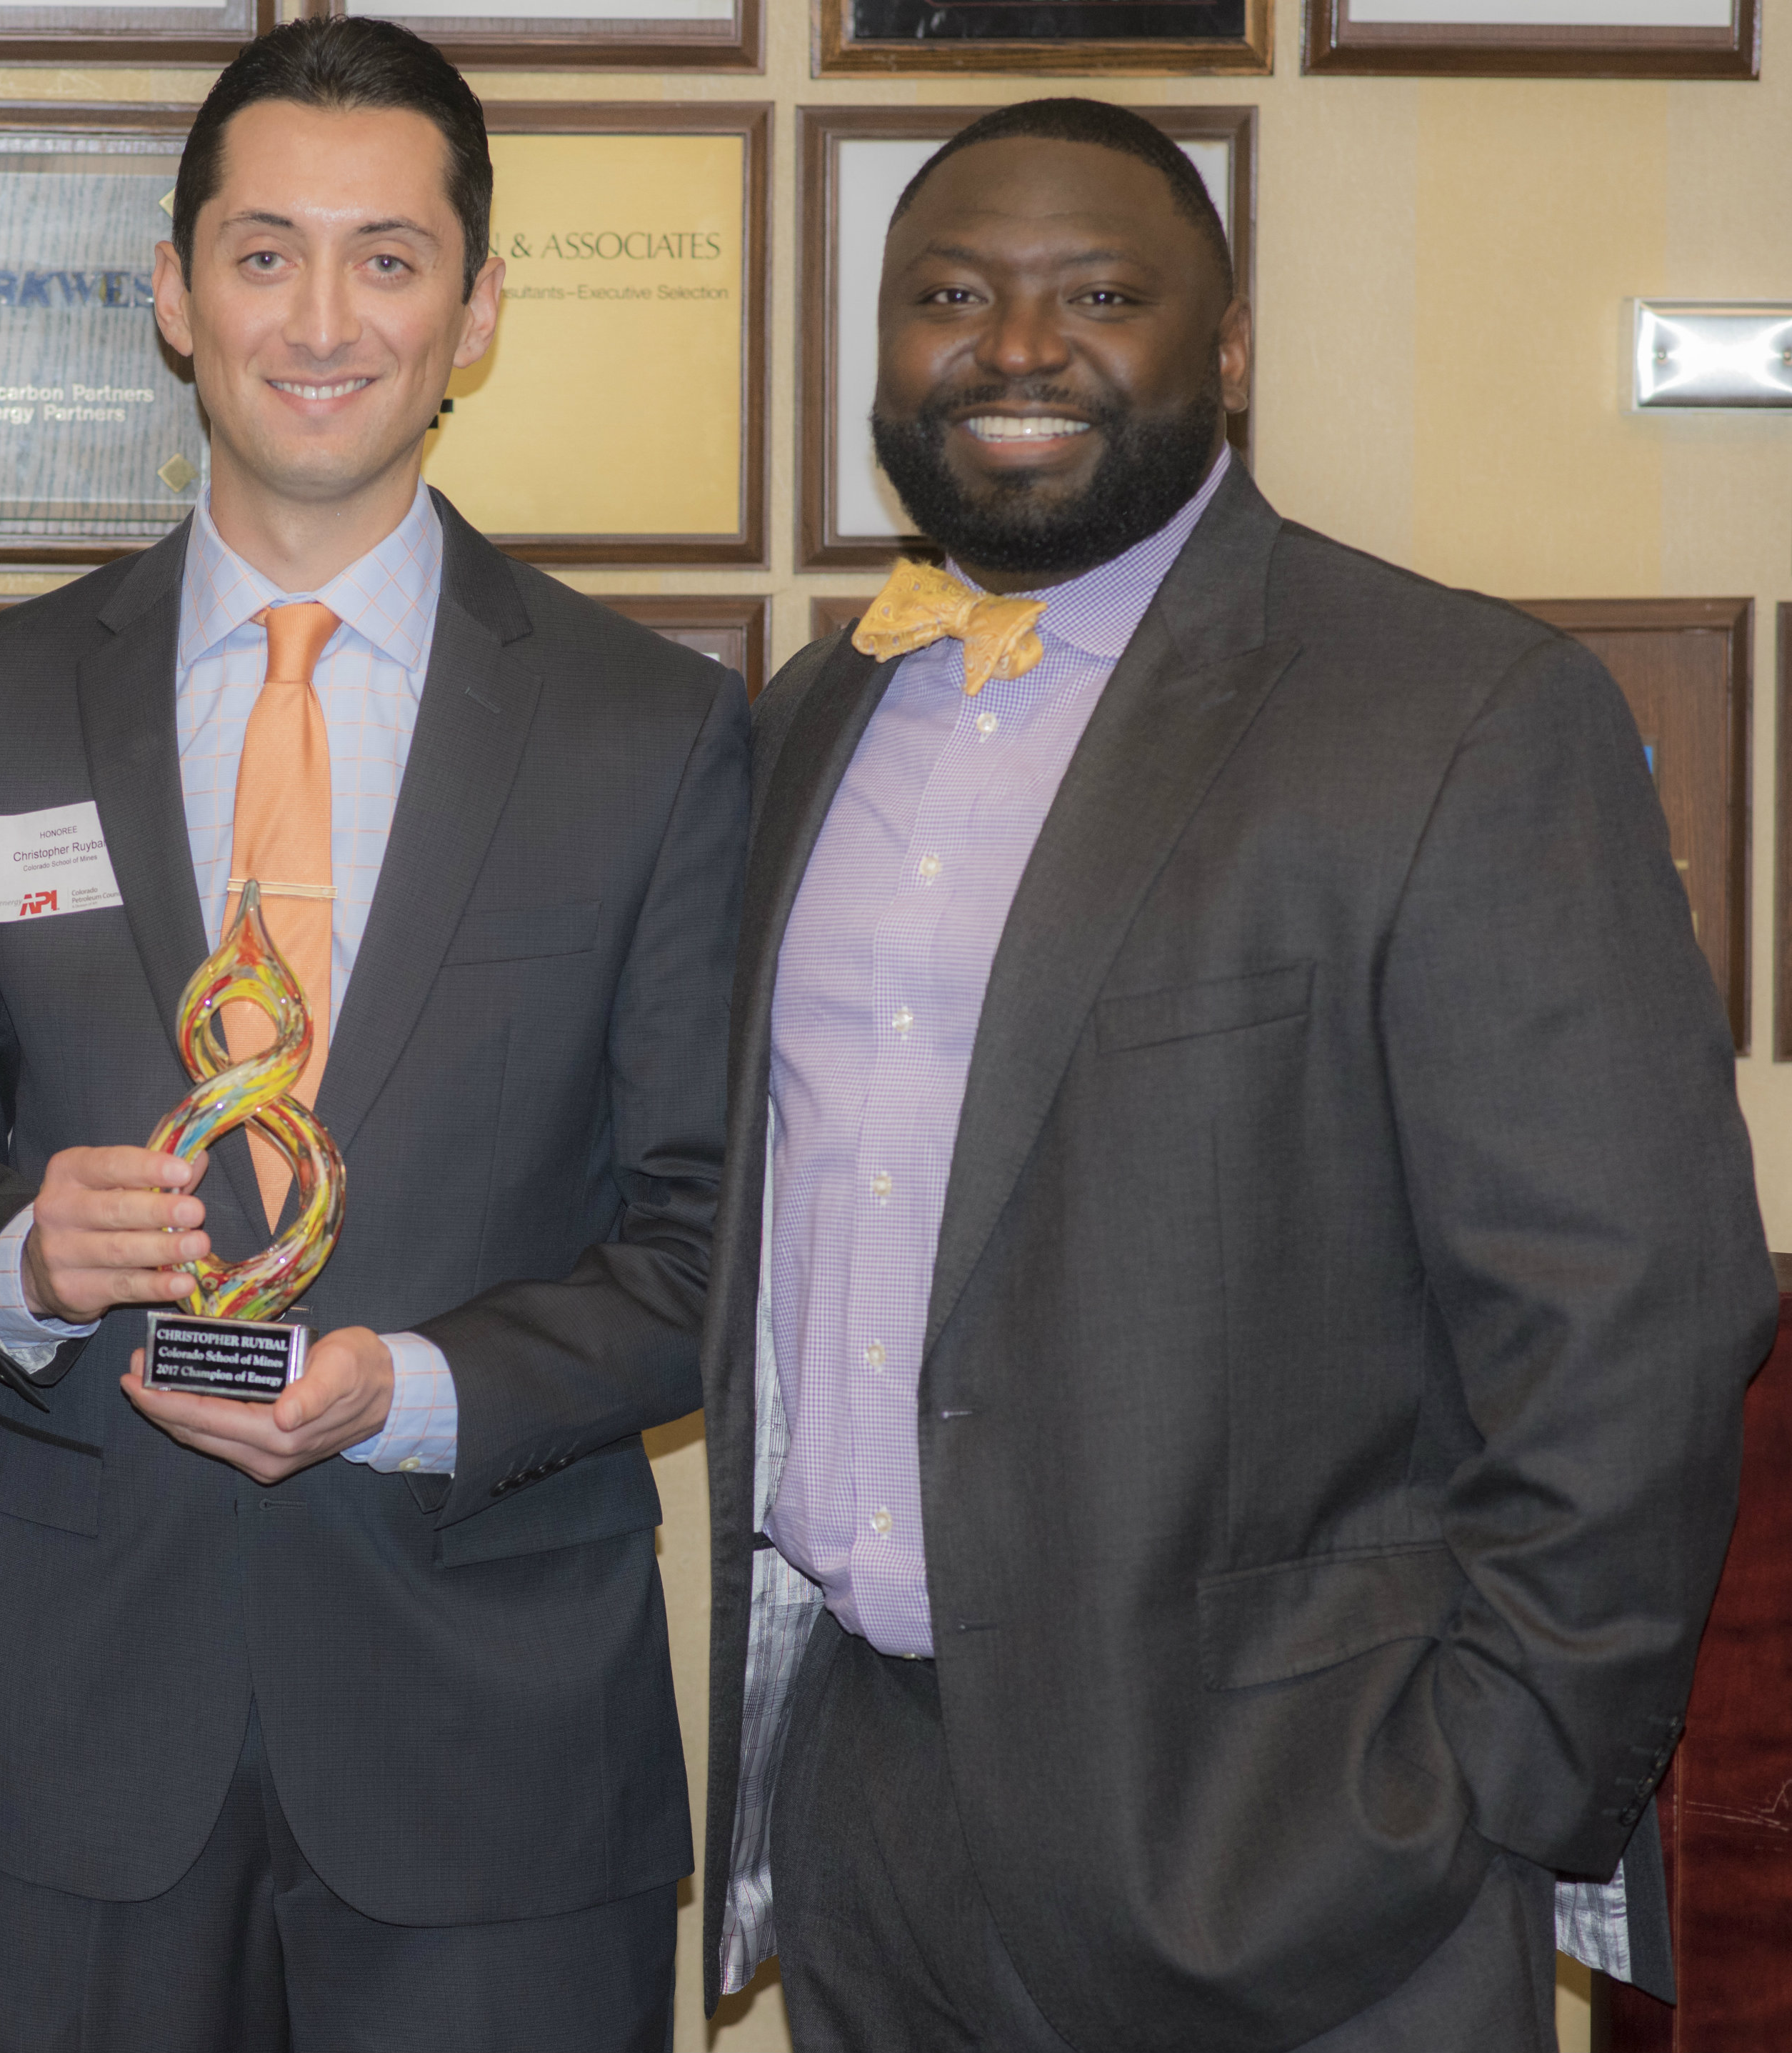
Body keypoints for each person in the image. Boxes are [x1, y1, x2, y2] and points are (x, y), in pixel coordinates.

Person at [699, 98, 1774, 2053]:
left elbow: (1639, 1314)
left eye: (1098, 294)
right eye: (950, 295)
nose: (1014, 348)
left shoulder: (1451, 713)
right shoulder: (817, 719)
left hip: (1300, 1848)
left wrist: (1487, 1778)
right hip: (874, 1818)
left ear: (1231, 348)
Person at [0, 19, 746, 2050]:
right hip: (99, 1739)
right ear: (172, 294)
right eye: (262, 254)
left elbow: (710, 1243)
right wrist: (19, 1255)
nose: (320, 319)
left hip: (495, 1743)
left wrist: (409, 1385)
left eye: (388, 257)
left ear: (476, 309)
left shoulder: (651, 732)